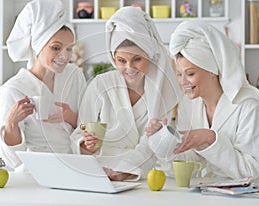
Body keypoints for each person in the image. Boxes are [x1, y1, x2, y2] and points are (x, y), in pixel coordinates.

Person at [70, 6, 182, 181]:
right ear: (113, 58)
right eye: (121, 60)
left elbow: (150, 144)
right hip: (99, 173)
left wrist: (125, 171)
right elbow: (79, 132)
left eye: (137, 59)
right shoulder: (100, 85)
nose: (129, 68)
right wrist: (86, 145)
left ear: (150, 56)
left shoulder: (162, 91)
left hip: (140, 174)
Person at [146, 20, 259, 180]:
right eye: (179, 74)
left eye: (190, 74)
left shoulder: (248, 106)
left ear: (213, 70)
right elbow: (190, 164)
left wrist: (210, 138)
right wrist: (163, 141)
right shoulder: (189, 104)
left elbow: (250, 171)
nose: (183, 82)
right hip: (207, 192)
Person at [0, 0, 86, 170]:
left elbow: (89, 127)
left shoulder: (74, 76)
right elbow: (12, 160)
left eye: (69, 49)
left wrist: (71, 117)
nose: (64, 56)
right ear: (37, 45)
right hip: (35, 172)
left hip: (74, 166)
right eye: (56, 48)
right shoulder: (14, 89)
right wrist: (11, 124)